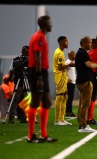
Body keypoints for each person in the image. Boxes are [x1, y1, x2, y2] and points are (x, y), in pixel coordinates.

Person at [27, 15, 57, 143]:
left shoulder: (41, 37)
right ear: (45, 24)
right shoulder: (39, 37)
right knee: (35, 102)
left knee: (47, 103)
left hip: (42, 72)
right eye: (50, 23)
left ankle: (44, 134)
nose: (51, 25)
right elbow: (37, 56)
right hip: (37, 72)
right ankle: (30, 136)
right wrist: (39, 76)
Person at [75, 36, 97, 132]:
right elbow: (89, 64)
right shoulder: (83, 53)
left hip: (81, 80)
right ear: (84, 43)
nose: (91, 44)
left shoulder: (80, 53)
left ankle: (81, 124)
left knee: (82, 104)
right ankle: (83, 126)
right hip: (85, 81)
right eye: (89, 42)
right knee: (85, 104)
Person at [53, 36, 74, 125]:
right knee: (60, 96)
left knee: (65, 97)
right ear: (61, 42)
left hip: (63, 76)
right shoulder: (59, 53)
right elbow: (60, 67)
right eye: (66, 42)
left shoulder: (61, 52)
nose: (67, 43)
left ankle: (62, 119)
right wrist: (71, 64)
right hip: (59, 76)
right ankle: (57, 120)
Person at [8, 45, 29, 123]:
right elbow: (11, 70)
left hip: (28, 82)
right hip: (19, 82)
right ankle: (11, 118)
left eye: (28, 52)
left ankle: (25, 117)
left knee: (27, 99)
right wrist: (9, 78)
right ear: (22, 51)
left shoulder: (32, 60)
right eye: (26, 52)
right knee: (15, 99)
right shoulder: (16, 60)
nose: (27, 54)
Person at [65, 50, 77, 118]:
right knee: (69, 98)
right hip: (69, 83)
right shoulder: (67, 62)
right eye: (74, 54)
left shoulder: (72, 62)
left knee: (70, 98)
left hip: (73, 82)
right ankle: (68, 112)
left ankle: (69, 111)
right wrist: (67, 79)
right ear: (70, 55)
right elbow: (64, 70)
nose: (75, 55)